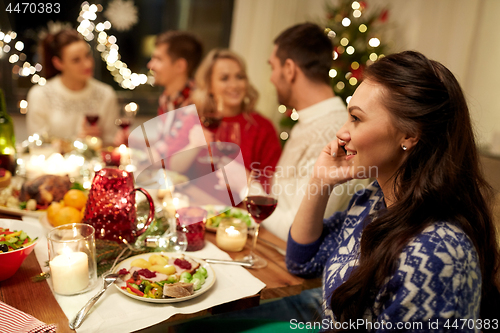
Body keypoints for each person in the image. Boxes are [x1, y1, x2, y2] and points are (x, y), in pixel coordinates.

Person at [286, 51, 500, 330]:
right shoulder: (372, 200)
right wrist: (320, 181)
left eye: (356, 118)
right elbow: (302, 260)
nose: (341, 132)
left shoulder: (436, 254)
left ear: (410, 135)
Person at [262, 23, 369, 241]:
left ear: (290, 69)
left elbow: (296, 232)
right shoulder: (308, 121)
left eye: (273, 67)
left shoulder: (336, 133)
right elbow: (282, 197)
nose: (272, 77)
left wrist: (244, 187)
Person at [169, 49, 282, 199]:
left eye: (239, 77)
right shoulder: (196, 119)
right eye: (224, 78)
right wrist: (193, 147)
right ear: (209, 85)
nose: (234, 85)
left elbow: (271, 183)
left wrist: (246, 181)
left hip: (240, 213)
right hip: (197, 203)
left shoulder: (262, 127)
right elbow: (173, 167)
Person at [27, 29, 119, 144]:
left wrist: (98, 141)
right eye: (76, 60)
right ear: (58, 63)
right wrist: (77, 141)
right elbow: (37, 145)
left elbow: (112, 144)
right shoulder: (39, 95)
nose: (87, 64)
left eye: (87, 55)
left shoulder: (106, 94)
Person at [143, 30, 203, 158]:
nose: (150, 65)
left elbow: (170, 154)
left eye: (158, 59)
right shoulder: (167, 98)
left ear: (180, 66)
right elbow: (164, 143)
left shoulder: (196, 103)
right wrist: (134, 144)